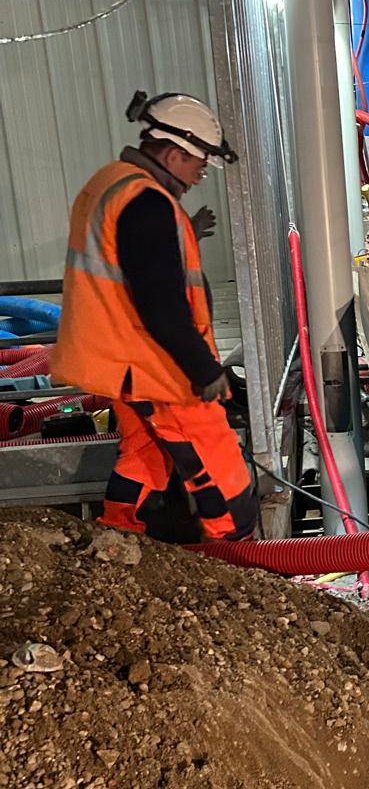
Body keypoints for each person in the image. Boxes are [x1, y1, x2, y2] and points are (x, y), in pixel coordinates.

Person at [52, 90, 258, 542]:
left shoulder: (110, 183)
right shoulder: (147, 203)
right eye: (199, 161)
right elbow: (160, 302)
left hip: (117, 361)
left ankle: (118, 536)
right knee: (216, 459)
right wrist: (204, 370)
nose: (202, 172)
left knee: (144, 452)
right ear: (172, 152)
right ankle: (238, 555)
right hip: (153, 365)